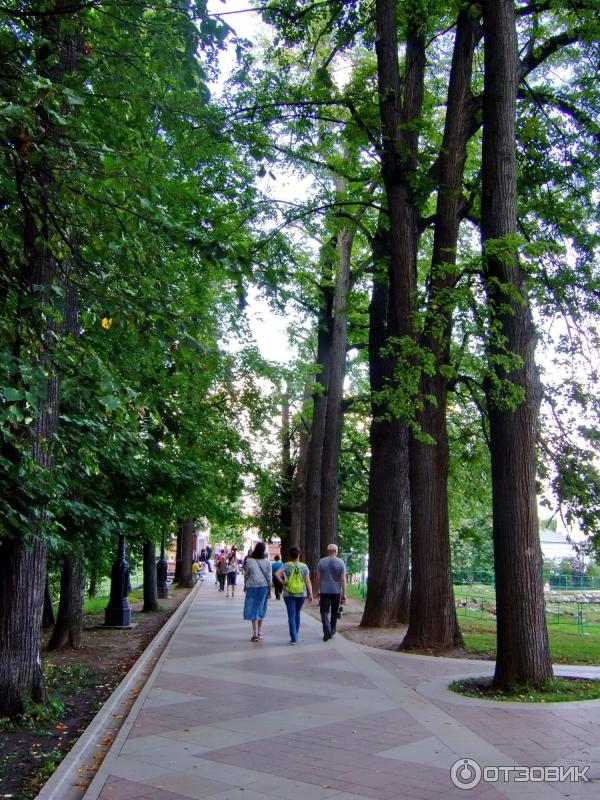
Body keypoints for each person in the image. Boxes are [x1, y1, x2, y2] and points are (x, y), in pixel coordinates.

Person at [275, 547, 313, 645]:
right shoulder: (304, 566)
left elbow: (276, 574)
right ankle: (296, 633)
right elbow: (307, 581)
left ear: (290, 555)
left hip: (289, 593)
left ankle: (294, 638)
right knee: (297, 613)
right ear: (299, 554)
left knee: (291, 615)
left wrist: (283, 583)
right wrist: (311, 594)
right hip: (301, 594)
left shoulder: (287, 565)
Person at [315, 544, 346, 641]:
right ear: (336, 551)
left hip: (324, 591)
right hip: (336, 591)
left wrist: (318, 589)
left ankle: (327, 631)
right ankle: (332, 631)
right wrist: (344, 593)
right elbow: (343, 579)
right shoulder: (341, 562)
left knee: (324, 611)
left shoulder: (321, 562)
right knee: (334, 612)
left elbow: (318, 578)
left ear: (328, 551)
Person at [243, 541, 272, 642]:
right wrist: (269, 589)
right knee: (261, 608)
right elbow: (269, 577)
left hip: (252, 586)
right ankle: (259, 631)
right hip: (263, 587)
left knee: (252, 608)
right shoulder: (267, 562)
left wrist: (244, 585)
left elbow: (246, 574)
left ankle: (255, 633)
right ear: (263, 551)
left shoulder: (249, 561)